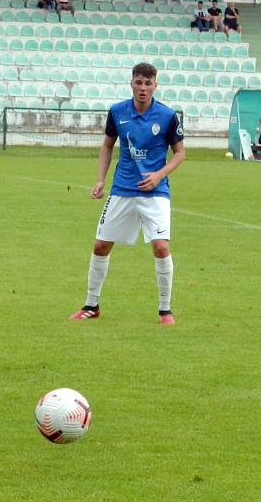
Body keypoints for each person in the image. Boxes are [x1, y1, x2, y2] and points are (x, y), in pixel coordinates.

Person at [69, 63, 185, 326]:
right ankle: (91, 305)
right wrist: (100, 180)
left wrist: (159, 175)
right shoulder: (117, 112)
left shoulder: (167, 116)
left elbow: (180, 153)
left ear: (155, 85)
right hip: (122, 188)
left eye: (148, 83)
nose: (142, 88)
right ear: (131, 83)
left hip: (155, 193)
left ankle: (165, 311)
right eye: (138, 82)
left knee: (161, 246)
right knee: (100, 245)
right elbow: (107, 146)